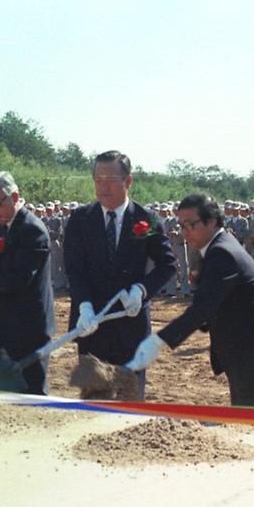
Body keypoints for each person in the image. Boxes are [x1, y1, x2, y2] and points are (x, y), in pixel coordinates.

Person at [126, 194, 254, 405]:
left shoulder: (222, 253)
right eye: (181, 226)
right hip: (251, 357)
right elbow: (215, 304)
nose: (185, 232)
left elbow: (202, 308)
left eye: (190, 225)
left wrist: (157, 342)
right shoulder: (218, 247)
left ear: (211, 221)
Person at [64, 150, 176, 397]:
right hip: (92, 326)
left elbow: (167, 265)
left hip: (131, 327)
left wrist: (141, 290)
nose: (103, 187)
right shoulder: (80, 219)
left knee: (129, 401)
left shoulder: (146, 219)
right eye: (97, 180)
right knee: (93, 399)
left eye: (110, 180)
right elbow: (75, 269)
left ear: (128, 181)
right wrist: (84, 306)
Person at [0, 171, 55, 394]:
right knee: (9, 393)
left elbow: (21, 277)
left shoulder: (32, 228)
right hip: (5, 324)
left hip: (29, 329)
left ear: (14, 197)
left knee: (33, 393)